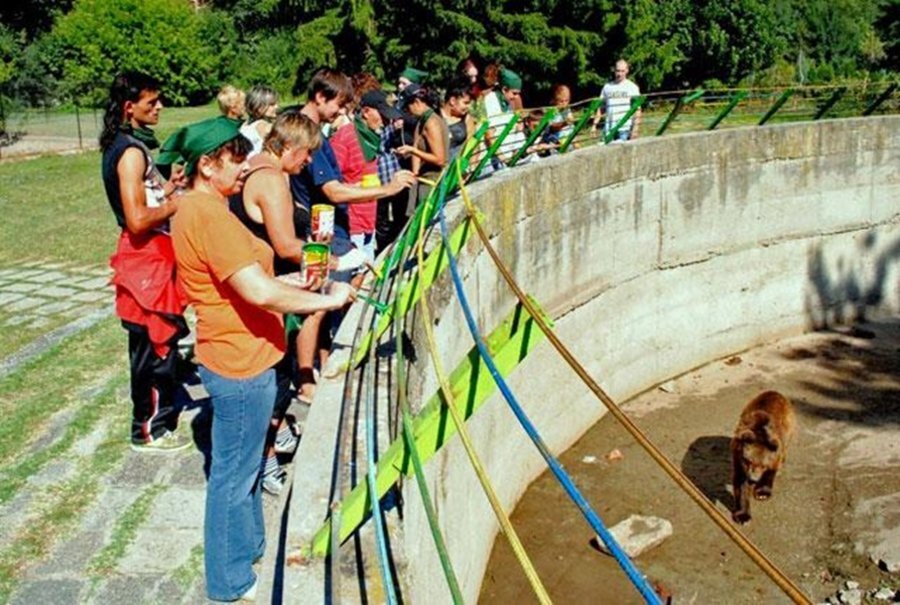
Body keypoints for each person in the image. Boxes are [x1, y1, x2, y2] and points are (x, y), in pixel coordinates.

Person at [168, 117, 355, 602]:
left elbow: (243, 282)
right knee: (233, 476)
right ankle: (228, 582)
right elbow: (255, 291)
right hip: (239, 362)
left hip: (243, 353)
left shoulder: (203, 207)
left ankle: (249, 546)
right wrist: (326, 299)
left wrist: (293, 284)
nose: (244, 167)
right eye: (235, 160)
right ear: (207, 165)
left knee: (246, 465)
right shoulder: (207, 215)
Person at [228, 109, 326, 495]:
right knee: (276, 377)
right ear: (287, 147)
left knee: (273, 375)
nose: (309, 161)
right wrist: (332, 259)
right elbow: (285, 245)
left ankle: (275, 436)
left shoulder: (256, 166)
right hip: (267, 288)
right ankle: (265, 460)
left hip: (258, 282)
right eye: (306, 153)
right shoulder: (271, 180)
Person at [100, 71, 191, 453]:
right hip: (145, 260)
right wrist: (175, 204)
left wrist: (168, 187)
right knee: (153, 347)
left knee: (159, 344)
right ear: (129, 107)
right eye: (151, 102)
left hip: (150, 257)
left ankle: (155, 418)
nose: (159, 107)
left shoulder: (127, 145)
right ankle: (148, 430)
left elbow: (143, 198)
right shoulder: (131, 152)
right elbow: (137, 218)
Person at [331, 88, 403, 264]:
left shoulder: (371, 139)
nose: (386, 122)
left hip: (369, 222)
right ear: (366, 112)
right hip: (350, 226)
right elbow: (331, 186)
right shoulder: (344, 138)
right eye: (382, 116)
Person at [395, 83, 449, 217]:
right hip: (423, 179)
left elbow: (440, 159)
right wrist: (414, 174)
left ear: (417, 102)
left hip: (432, 182)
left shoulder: (432, 123)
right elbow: (417, 144)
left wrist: (412, 150)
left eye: (408, 107)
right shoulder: (422, 121)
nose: (407, 111)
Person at [593, 59, 642, 141]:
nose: (619, 74)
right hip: (608, 128)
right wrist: (594, 125)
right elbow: (601, 108)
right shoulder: (607, 87)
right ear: (614, 70)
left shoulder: (632, 87)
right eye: (618, 71)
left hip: (624, 128)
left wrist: (635, 129)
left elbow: (637, 109)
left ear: (627, 71)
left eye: (622, 71)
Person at [441, 78, 476, 162]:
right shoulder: (435, 118)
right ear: (452, 101)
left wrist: (471, 164)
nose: (469, 107)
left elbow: (473, 145)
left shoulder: (467, 119)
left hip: (459, 167)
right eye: (465, 103)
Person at [240, 85, 279, 156]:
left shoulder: (245, 125)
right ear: (258, 107)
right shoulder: (265, 126)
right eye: (272, 104)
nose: (277, 106)